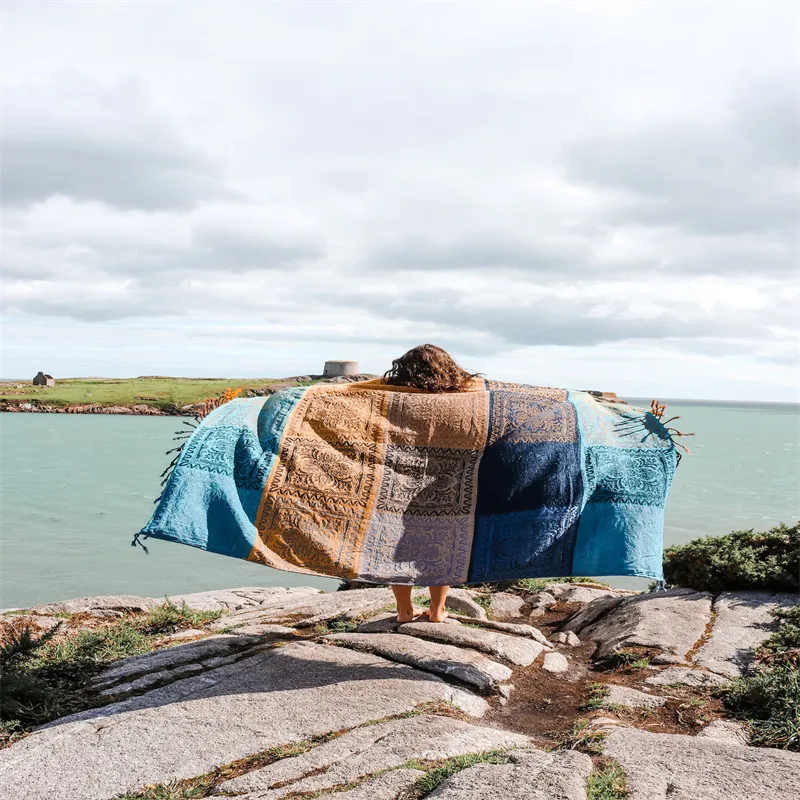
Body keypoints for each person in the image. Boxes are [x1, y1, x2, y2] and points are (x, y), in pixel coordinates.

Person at [382, 344, 479, 623]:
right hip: (449, 481)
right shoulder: (464, 399)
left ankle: (404, 611)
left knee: (396, 548)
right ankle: (437, 610)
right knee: (441, 544)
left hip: (399, 480)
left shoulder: (391, 397)